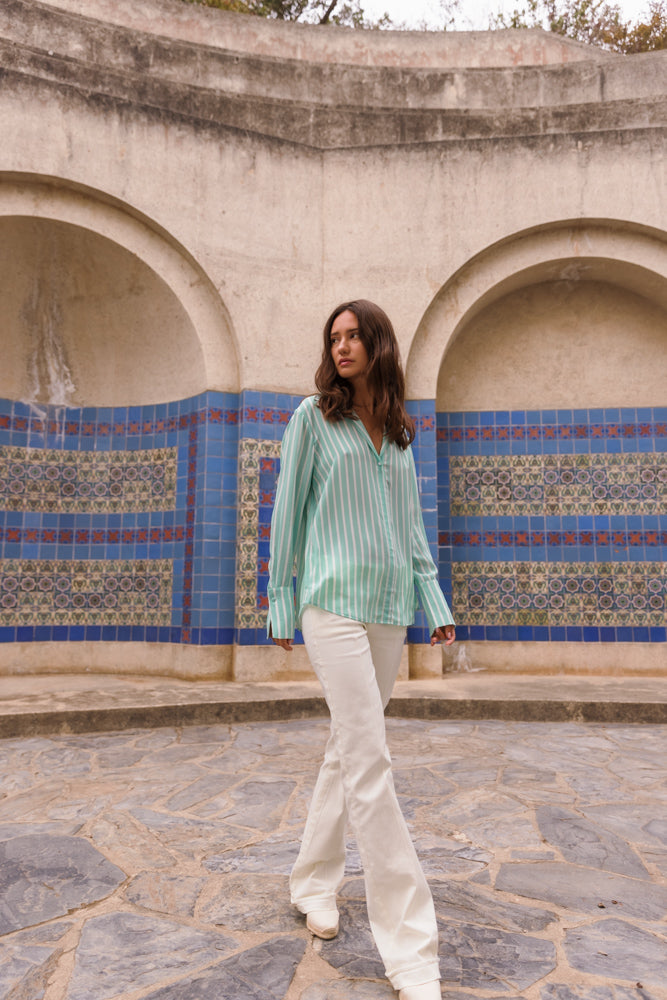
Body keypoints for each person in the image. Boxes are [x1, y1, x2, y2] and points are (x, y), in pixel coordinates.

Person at [267, 300, 455, 1000]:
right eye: (334, 338)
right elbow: (287, 512)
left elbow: (410, 530)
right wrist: (280, 600)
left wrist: (431, 603)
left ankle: (312, 883)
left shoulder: (401, 435)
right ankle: (411, 952)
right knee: (370, 761)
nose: (341, 347)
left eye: (353, 336)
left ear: (378, 345)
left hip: (386, 613)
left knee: (346, 751)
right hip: (331, 608)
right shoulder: (312, 420)